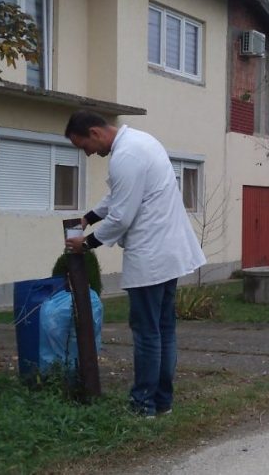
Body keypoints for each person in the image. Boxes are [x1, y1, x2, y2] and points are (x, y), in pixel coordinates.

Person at [64, 110, 206, 417]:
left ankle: (143, 405)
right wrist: (88, 217)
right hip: (169, 252)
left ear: (95, 133)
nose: (87, 153)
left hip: (151, 256)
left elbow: (121, 216)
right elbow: (120, 195)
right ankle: (163, 402)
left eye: (84, 146)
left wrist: (86, 243)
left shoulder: (125, 155)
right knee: (164, 329)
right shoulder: (141, 142)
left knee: (147, 333)